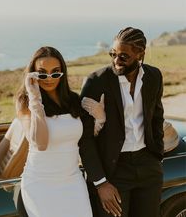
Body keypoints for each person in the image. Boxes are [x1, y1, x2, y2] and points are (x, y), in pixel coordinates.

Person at [79, 27, 164, 217]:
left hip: (148, 166)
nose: (116, 61)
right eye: (113, 54)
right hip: (113, 171)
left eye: (123, 56)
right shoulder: (96, 82)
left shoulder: (154, 77)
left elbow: (157, 118)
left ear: (140, 54)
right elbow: (84, 138)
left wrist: (156, 157)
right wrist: (100, 182)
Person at [15, 46, 93, 217]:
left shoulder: (73, 100)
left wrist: (100, 119)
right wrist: (35, 99)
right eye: (42, 74)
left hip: (73, 181)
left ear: (62, 73)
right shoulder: (25, 102)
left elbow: (84, 138)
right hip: (40, 185)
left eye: (55, 73)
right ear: (33, 74)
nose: (49, 79)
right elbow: (40, 143)